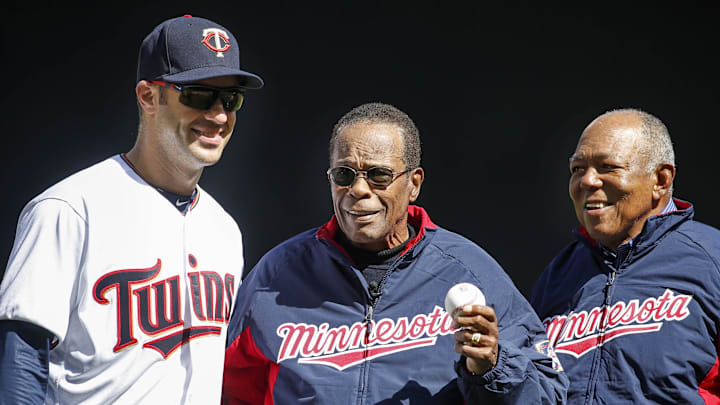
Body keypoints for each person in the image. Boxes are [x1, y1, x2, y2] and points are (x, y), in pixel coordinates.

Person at [222, 102, 567, 404]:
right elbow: (229, 391)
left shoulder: (470, 271)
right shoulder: (277, 275)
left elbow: (549, 393)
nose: (358, 190)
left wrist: (491, 366)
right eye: (344, 174)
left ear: (414, 183)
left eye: (378, 175)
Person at [0, 15, 263, 404]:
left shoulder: (225, 229)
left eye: (230, 99)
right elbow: (21, 362)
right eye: (198, 94)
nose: (219, 115)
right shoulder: (69, 209)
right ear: (148, 96)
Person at [531, 108, 720, 403]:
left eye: (608, 166)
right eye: (577, 169)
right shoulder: (558, 275)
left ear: (661, 179)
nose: (587, 181)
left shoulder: (712, 258)